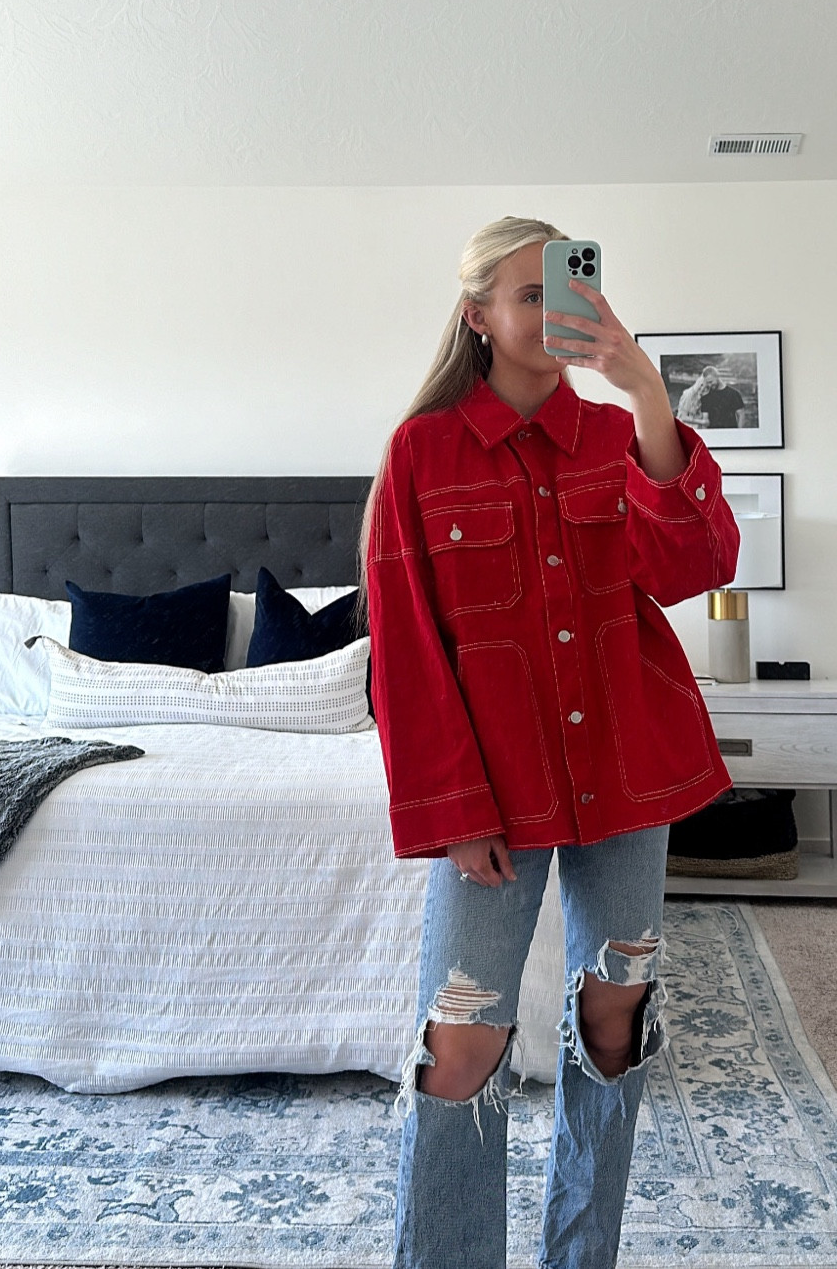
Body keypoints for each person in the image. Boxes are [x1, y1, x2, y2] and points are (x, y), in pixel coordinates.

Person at [358, 216, 739, 1269]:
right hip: (493, 793)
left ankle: (582, 1256)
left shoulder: (620, 437)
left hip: (629, 772)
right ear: (478, 316)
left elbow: (697, 563)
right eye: (530, 293)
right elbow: (407, 650)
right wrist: (453, 809)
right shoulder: (421, 451)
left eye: (567, 289)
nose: (555, 309)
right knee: (460, 1044)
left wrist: (649, 393)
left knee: (614, 1026)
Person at [697, 365, 746, 430]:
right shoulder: (706, 397)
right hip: (713, 433)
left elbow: (741, 415)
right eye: (707, 383)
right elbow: (705, 421)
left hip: (730, 432)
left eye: (711, 382)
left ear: (717, 377)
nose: (709, 385)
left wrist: (739, 433)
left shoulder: (734, 394)